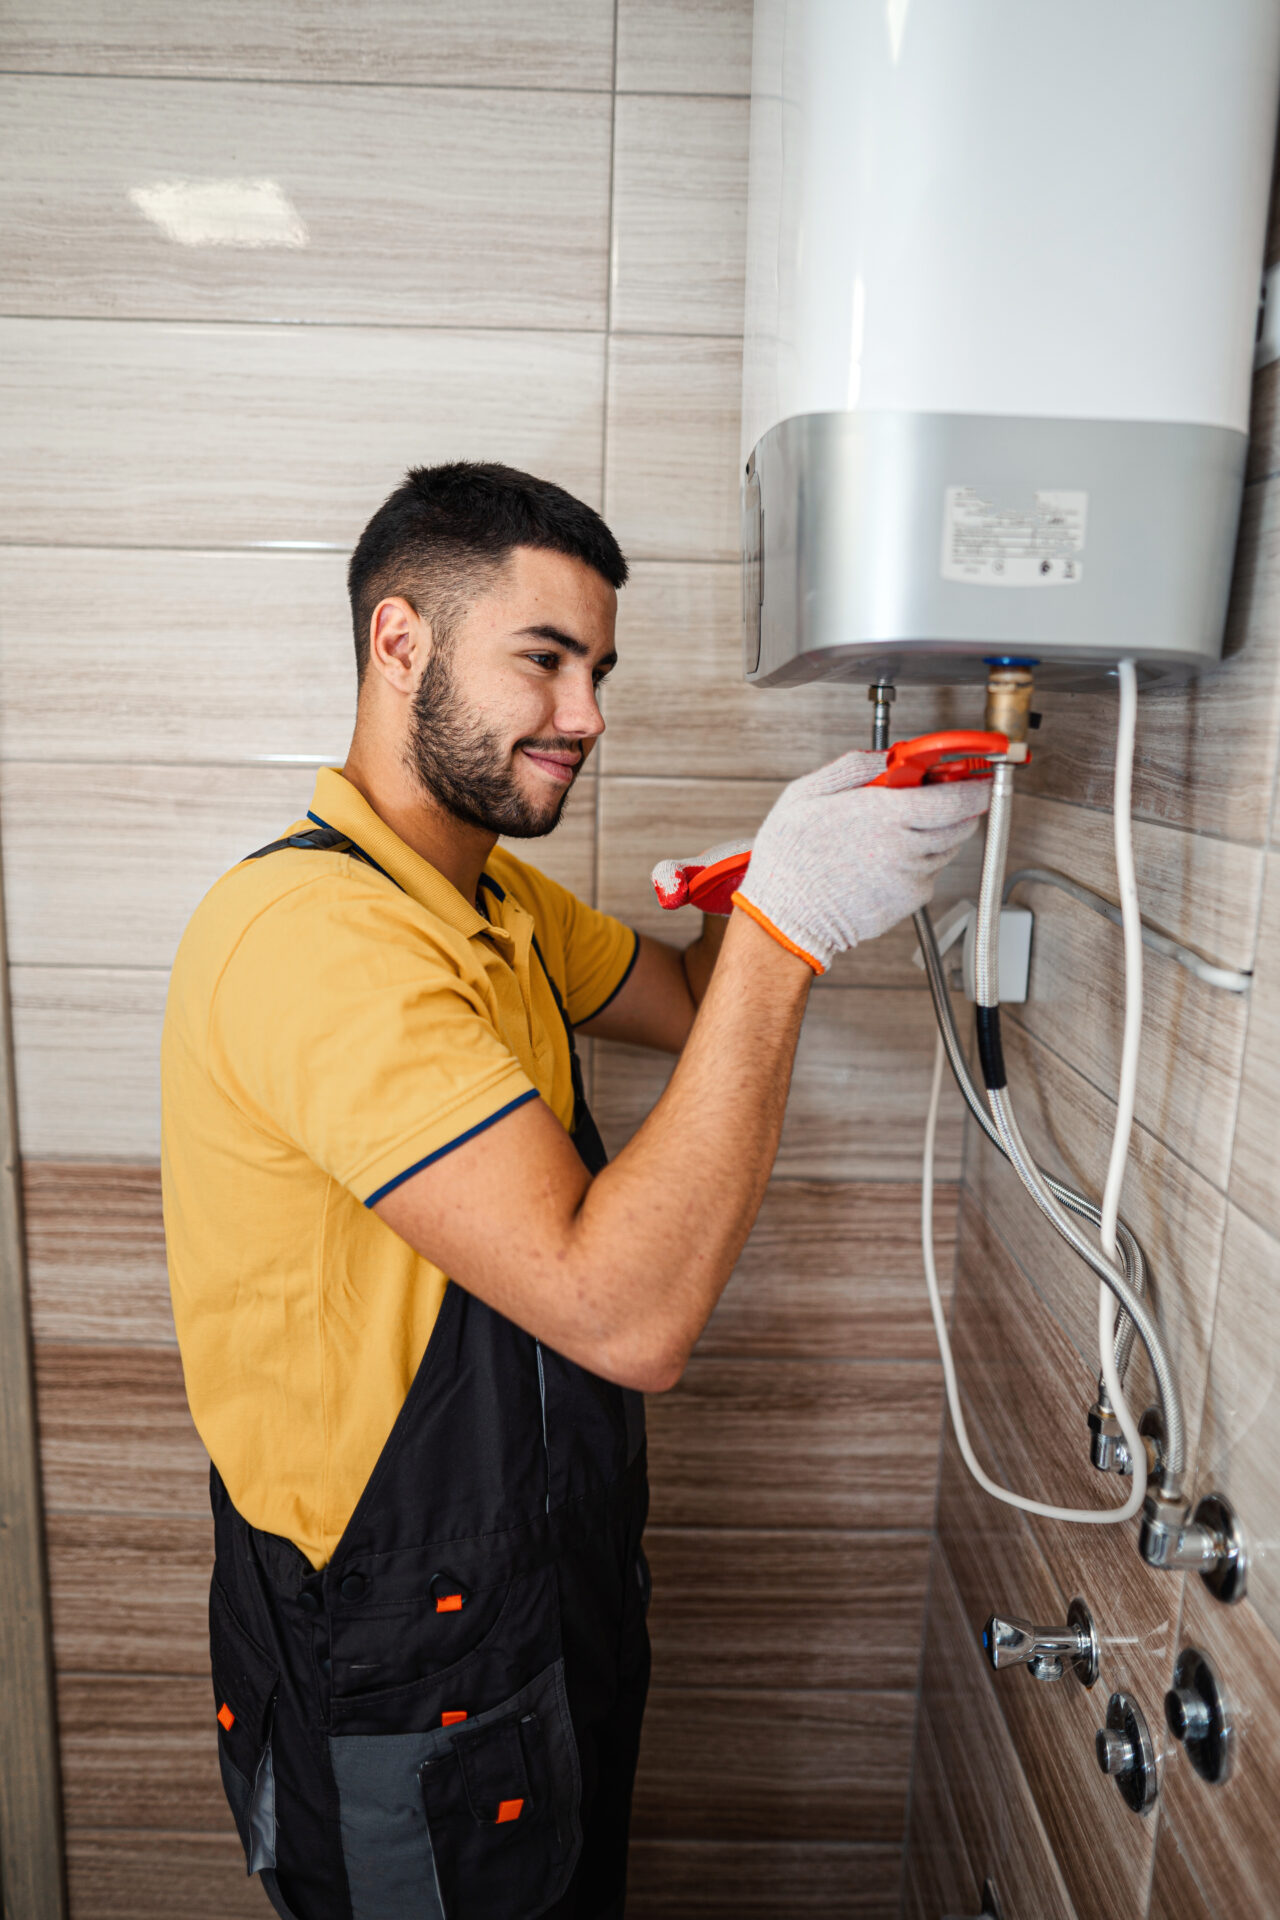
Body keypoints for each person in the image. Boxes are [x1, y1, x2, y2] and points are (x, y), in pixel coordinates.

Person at [161, 461, 987, 1920]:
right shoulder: (316, 939)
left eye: (594, 669)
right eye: (544, 660)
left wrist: (784, 868)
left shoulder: (488, 899)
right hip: (397, 1653)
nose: (588, 716)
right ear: (399, 642)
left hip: (543, 1586)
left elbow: (678, 994)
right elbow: (627, 1312)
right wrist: (790, 926)